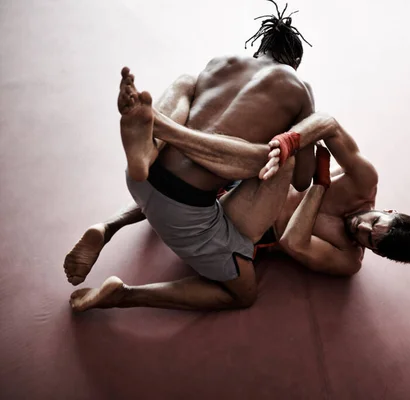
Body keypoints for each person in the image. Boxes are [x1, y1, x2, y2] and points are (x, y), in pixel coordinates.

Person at [66, 1, 320, 311]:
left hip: (144, 179)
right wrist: (305, 137)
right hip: (187, 211)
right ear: (294, 61)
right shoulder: (299, 88)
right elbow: (304, 179)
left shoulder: (220, 62)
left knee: (188, 81)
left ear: (259, 47)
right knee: (282, 156)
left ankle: (118, 204)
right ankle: (125, 294)